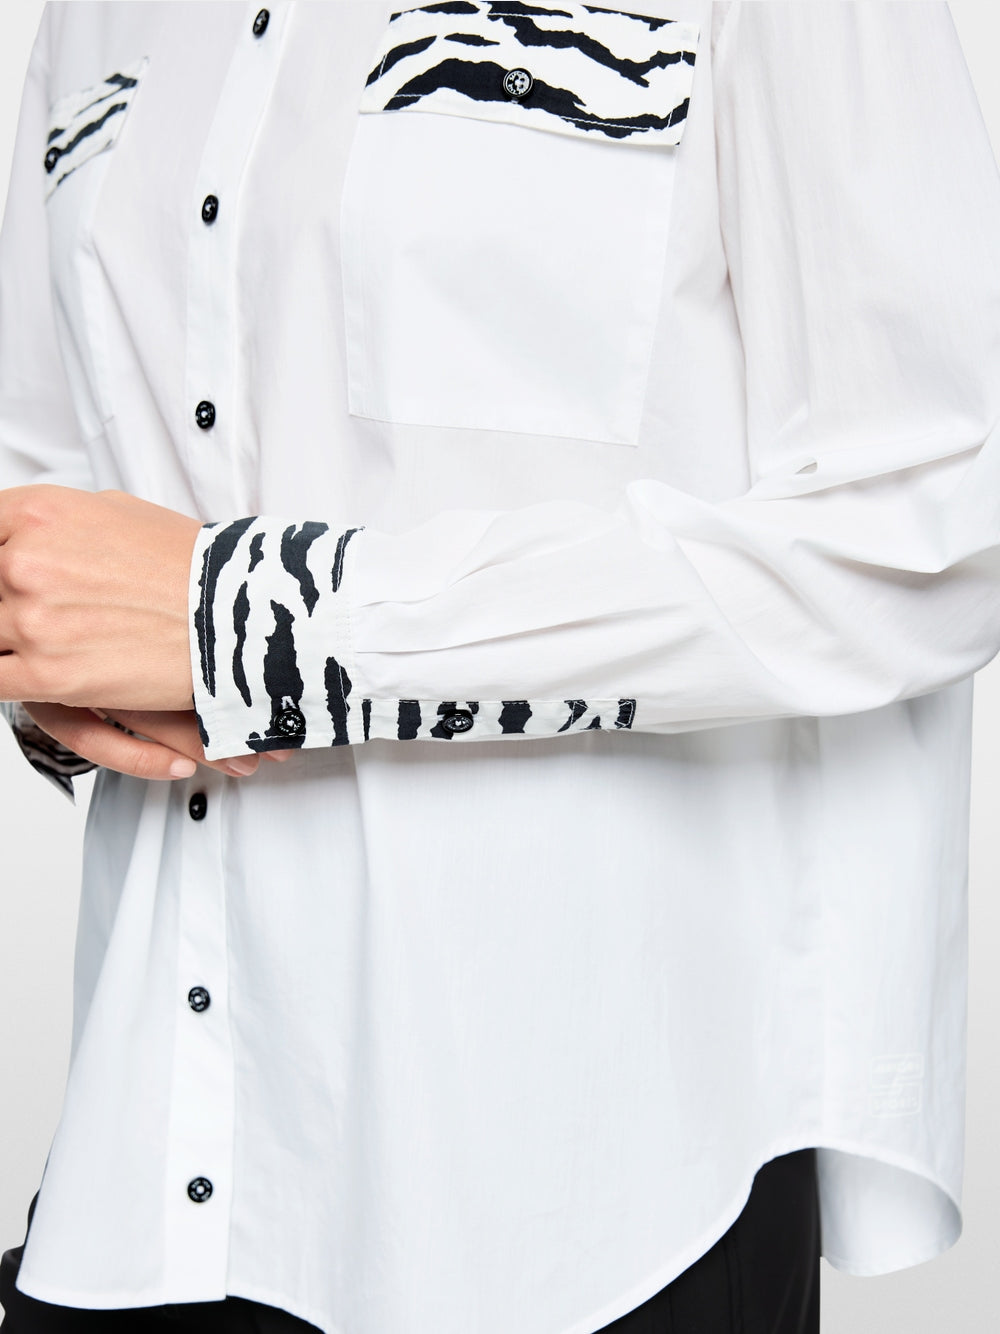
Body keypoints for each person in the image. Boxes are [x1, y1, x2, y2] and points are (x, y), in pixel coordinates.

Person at [1, 2, 999, 1331]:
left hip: (586, 1189)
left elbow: (935, 524)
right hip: (150, 1165)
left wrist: (266, 624)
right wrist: (63, 661)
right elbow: (47, 491)